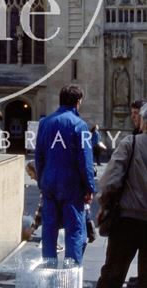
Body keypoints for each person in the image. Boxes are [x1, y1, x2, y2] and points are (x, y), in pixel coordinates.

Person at [35, 84, 95, 266]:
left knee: (49, 228)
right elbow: (85, 160)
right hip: (71, 185)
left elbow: (39, 156)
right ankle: (70, 276)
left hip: (49, 182)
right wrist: (89, 187)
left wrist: (41, 181)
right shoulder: (80, 125)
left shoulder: (45, 123)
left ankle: (49, 270)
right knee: (74, 230)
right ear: (78, 102)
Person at [96, 102, 147, 287]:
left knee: (112, 275)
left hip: (128, 221)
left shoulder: (130, 143)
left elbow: (111, 182)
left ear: (144, 122)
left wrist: (104, 205)